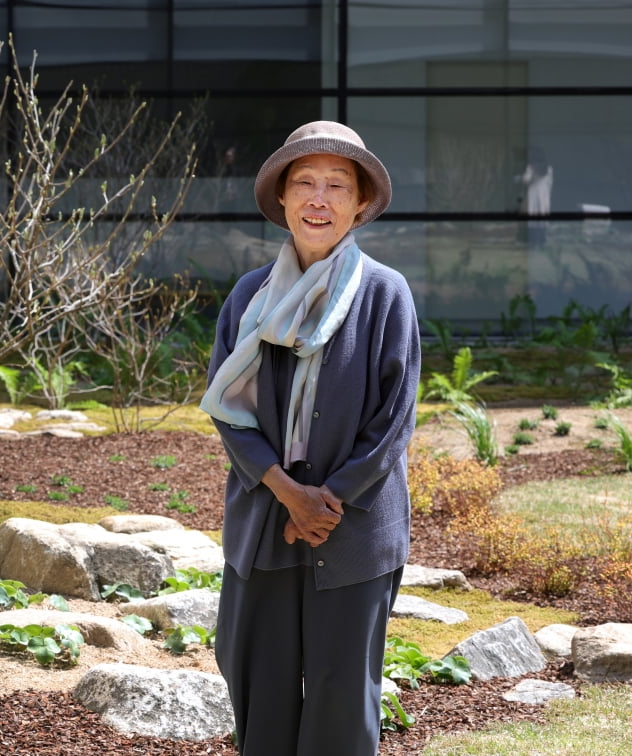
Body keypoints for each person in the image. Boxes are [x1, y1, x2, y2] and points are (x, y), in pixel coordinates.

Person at [199, 120, 421, 756]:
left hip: (353, 529)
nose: (319, 199)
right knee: (258, 688)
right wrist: (286, 492)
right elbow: (227, 408)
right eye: (305, 184)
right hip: (265, 519)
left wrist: (326, 502)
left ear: (359, 204)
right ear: (283, 200)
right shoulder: (249, 295)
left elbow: (392, 421)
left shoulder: (385, 294)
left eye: (336, 185)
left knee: (341, 695)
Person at [521, 146, 553, 248]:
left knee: (533, 218)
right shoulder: (549, 169)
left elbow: (526, 181)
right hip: (544, 195)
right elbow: (550, 184)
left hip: (534, 194)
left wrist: (527, 177)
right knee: (541, 219)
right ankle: (541, 241)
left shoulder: (531, 168)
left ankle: (534, 242)